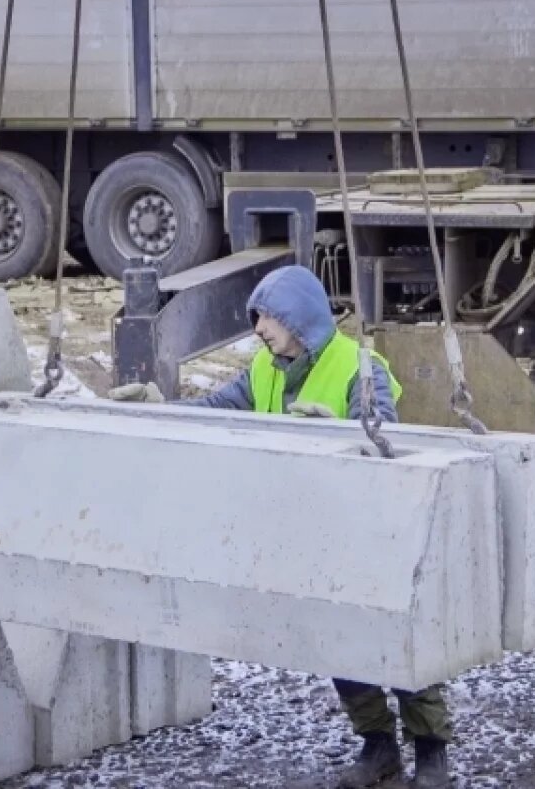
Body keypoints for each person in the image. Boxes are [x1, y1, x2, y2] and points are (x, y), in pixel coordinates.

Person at [108, 265, 452, 789]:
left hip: (368, 532)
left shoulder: (359, 366)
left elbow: (387, 436)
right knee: (338, 641)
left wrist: (339, 434)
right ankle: (378, 746)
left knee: (398, 640)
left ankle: (431, 754)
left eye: (268, 317)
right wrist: (162, 409)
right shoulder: (264, 371)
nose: (259, 329)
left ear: (300, 318)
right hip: (312, 534)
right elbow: (216, 410)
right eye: (257, 318)